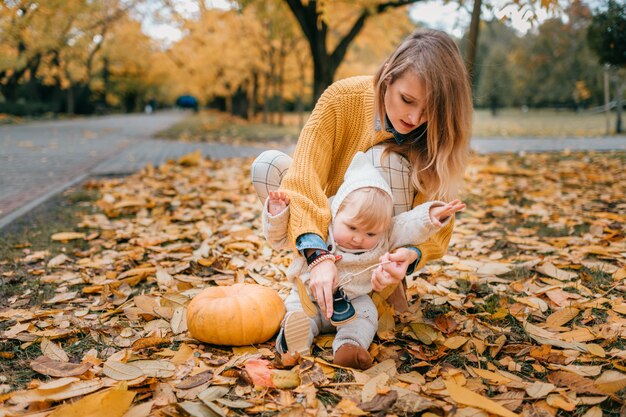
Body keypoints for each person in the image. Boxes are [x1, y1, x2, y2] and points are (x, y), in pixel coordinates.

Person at [251, 28, 472, 351]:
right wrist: (318, 255)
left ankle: (373, 293)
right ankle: (312, 289)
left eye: (429, 111)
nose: (414, 117)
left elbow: (434, 217)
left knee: (386, 160)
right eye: (407, 100)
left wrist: (407, 257)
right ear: (387, 78)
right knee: (269, 166)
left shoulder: (433, 133)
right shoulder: (343, 99)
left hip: (378, 242)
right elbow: (305, 175)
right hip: (330, 226)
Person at [261, 152, 465, 369]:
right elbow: (281, 237)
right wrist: (277, 213)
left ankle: (350, 346)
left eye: (370, 234)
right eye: (352, 228)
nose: (359, 238)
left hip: (353, 301)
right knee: (295, 312)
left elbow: (408, 224)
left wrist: (430, 216)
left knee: (367, 315)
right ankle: (294, 344)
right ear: (336, 211)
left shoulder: (385, 236)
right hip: (308, 298)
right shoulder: (322, 226)